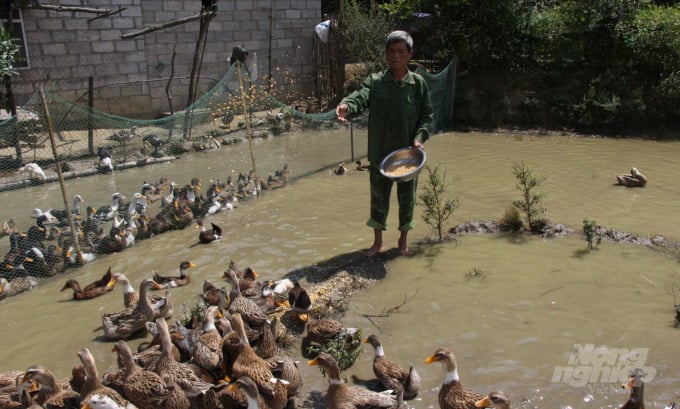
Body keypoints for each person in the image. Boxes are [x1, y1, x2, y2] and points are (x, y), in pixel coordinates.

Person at [335, 30, 433, 257]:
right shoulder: (376, 82)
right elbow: (359, 96)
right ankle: (378, 243)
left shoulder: (417, 85)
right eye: (391, 51)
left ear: (410, 54)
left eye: (401, 52)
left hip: (408, 156)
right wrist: (346, 106)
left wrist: (419, 140)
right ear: (386, 54)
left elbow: (427, 117)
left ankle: (403, 241)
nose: (395, 56)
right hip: (381, 155)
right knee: (378, 199)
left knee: (407, 199)